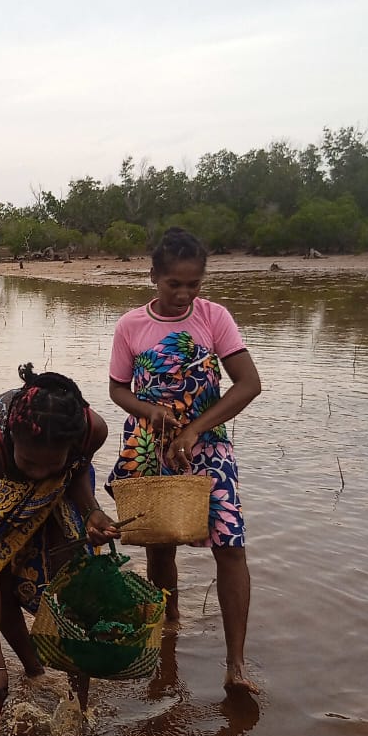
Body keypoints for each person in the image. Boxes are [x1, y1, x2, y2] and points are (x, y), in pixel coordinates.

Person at [105, 227, 262, 694]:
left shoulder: (215, 318)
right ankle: (168, 628)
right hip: (152, 446)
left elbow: (248, 383)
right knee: (161, 544)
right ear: (154, 276)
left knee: (230, 545)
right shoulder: (131, 326)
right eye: (174, 283)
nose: (184, 294)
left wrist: (194, 429)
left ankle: (235, 665)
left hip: (208, 445)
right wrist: (149, 411)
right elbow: (116, 389)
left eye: (193, 284)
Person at [0, 363, 119, 727]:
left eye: (49, 462)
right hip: (8, 488)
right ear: (14, 441)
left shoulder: (91, 431)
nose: (38, 471)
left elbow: (77, 469)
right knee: (2, 576)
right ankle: (34, 672)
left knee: (73, 585)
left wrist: (93, 512)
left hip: (66, 484)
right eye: (29, 462)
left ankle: (78, 704)